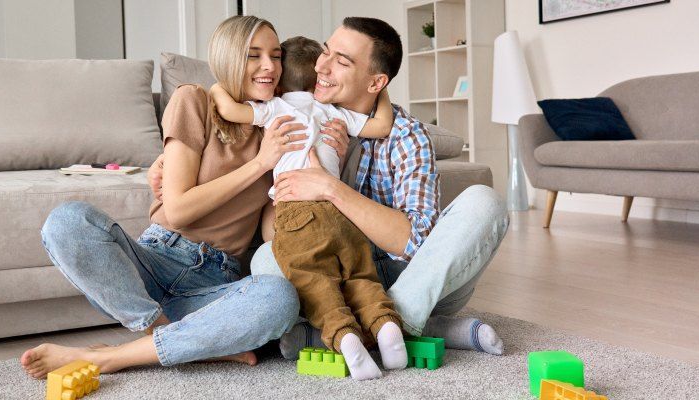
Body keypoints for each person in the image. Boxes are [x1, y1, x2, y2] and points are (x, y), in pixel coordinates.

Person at [148, 17, 509, 360]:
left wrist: (331, 188)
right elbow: (273, 226)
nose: (321, 67)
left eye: (341, 62)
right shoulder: (292, 119)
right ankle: (398, 330)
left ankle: (389, 321)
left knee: (485, 202)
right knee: (265, 259)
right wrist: (168, 159)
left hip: (412, 279)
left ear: (375, 83)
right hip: (333, 275)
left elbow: (413, 243)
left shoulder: (405, 136)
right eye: (325, 52)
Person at [19, 15, 306, 378]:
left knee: (277, 297)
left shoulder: (280, 126)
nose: (269, 67)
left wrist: (294, 186)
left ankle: (115, 356)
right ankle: (179, 339)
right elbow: (180, 210)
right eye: (254, 55)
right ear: (229, 58)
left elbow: (268, 234)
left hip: (215, 280)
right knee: (68, 220)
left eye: (276, 56)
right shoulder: (195, 100)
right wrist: (260, 162)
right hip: (154, 261)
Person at [208, 36, 404, 380]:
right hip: (341, 206)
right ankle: (386, 326)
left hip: (297, 209)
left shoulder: (276, 109)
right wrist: (381, 91)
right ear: (319, 81)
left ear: (280, 83)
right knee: (358, 274)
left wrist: (215, 88)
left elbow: (229, 110)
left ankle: (343, 336)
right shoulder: (335, 114)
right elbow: (382, 125)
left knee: (314, 280)